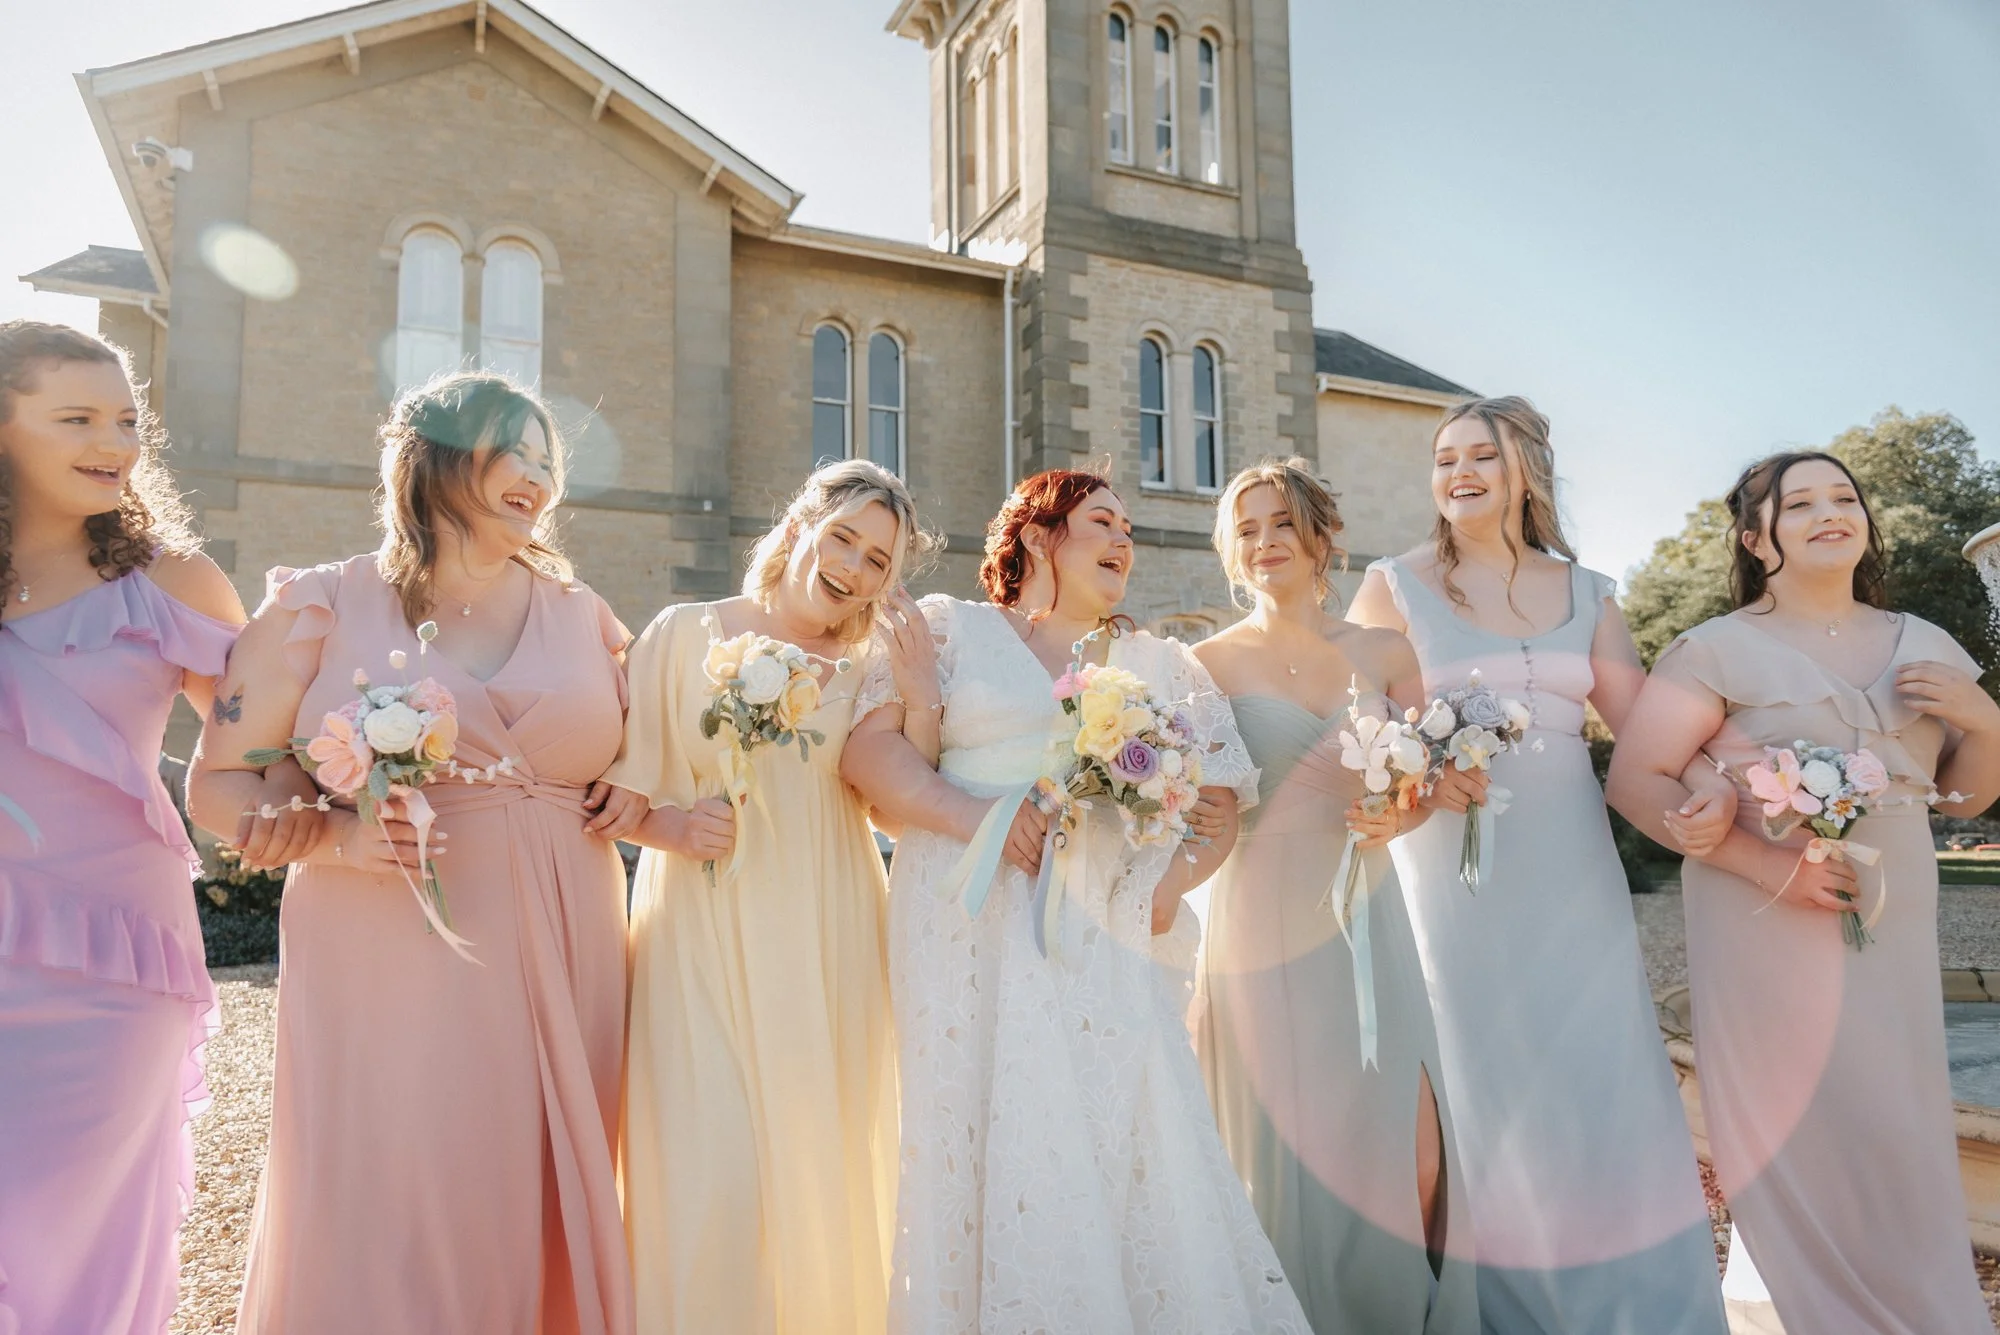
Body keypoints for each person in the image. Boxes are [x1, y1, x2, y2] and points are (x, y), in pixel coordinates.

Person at [188, 372, 635, 1334]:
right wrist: (332, 836)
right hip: (382, 934)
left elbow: (661, 768)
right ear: (433, 458)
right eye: (512, 449)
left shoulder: (587, 614)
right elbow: (219, 783)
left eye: (550, 459)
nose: (538, 475)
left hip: (566, 929)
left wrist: (646, 801)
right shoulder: (322, 603)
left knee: (536, 1165)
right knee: (397, 1174)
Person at [840, 468, 1312, 1335]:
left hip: (1101, 936)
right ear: (1035, 536)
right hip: (964, 923)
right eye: (1102, 521)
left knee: (1116, 1138)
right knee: (976, 1135)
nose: (1125, 540)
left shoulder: (1154, 663)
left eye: (1130, 527)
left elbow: (1218, 803)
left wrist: (1161, 893)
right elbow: (874, 766)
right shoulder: (948, 631)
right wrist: (983, 815)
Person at [1347, 396, 1729, 1330]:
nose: (1460, 472)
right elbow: (1356, 735)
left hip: (1572, 866)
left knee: (1601, 1071)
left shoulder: (1590, 590)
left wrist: (1715, 781)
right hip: (1449, 870)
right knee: (1478, 1074)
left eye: (1482, 453)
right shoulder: (1392, 585)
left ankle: (1642, 1306)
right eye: (1445, 459)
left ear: (1528, 469)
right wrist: (1418, 784)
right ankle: (1497, 1306)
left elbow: (1648, 731)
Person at [1607, 450, 2000, 1333]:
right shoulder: (1713, 648)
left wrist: (1986, 722)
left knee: (1895, 1111)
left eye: (1845, 497)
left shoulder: (1929, 643)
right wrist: (1767, 865)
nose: (1831, 511)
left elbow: (1967, 796)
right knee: (1800, 1112)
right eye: (1799, 504)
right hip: (1760, 913)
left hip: (1893, 907)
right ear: (1756, 538)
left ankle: (1921, 1303)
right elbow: (1638, 778)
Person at [592, 459, 939, 1335]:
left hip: (827, 924)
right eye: (845, 539)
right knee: (713, 1160)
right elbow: (616, 798)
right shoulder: (684, 631)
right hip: (701, 925)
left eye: (878, 561)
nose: (854, 568)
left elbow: (901, 792)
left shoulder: (868, 667)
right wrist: (672, 831)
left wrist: (923, 692)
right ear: (799, 528)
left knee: (818, 1152)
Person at [0, 320, 278, 1333]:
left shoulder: (175, 586)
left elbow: (262, 752)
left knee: (85, 1233)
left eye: (126, 418)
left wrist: (340, 789)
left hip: (116, 961)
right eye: (75, 417)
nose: (113, 440)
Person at [1192, 459, 1477, 1333]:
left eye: (1282, 522)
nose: (1265, 541)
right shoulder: (1201, 661)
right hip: (1256, 926)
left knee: (1411, 1143)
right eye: (1247, 529)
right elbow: (1196, 809)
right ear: (1230, 554)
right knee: (1276, 1149)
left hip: (1367, 917)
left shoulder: (1384, 652)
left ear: (1320, 536)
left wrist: (1409, 807)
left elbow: (1435, 772)